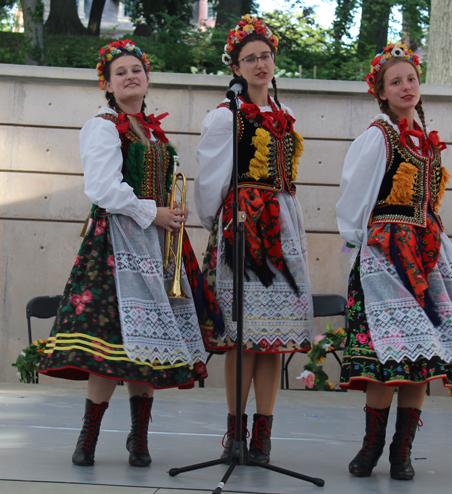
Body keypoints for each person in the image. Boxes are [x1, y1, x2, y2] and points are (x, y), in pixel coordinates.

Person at [38, 39, 208, 468]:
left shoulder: (153, 131)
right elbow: (103, 189)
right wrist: (154, 212)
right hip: (116, 244)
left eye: (137, 70)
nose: (131, 76)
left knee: (147, 346)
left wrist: (171, 213)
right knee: (109, 346)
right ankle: (88, 437)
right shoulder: (101, 125)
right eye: (121, 73)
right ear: (108, 86)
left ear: (147, 79)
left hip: (154, 244)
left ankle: (140, 439)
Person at [336, 43, 452, 480]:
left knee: (422, 352)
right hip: (387, 254)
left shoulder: (423, 139)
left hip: (429, 254)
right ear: (380, 92)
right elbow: (355, 200)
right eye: (395, 81)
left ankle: (402, 451)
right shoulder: (378, 136)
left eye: (411, 79)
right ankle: (372, 446)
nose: (405, 87)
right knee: (388, 354)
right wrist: (365, 249)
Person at [194, 14, 313, 464]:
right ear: (237, 67)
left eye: (265, 56)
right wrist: (221, 226)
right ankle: (236, 432)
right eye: (251, 58)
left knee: (273, 340)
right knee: (241, 339)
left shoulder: (280, 115)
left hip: (282, 231)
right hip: (243, 230)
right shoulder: (226, 116)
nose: (261, 64)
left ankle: (262, 434)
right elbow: (211, 183)